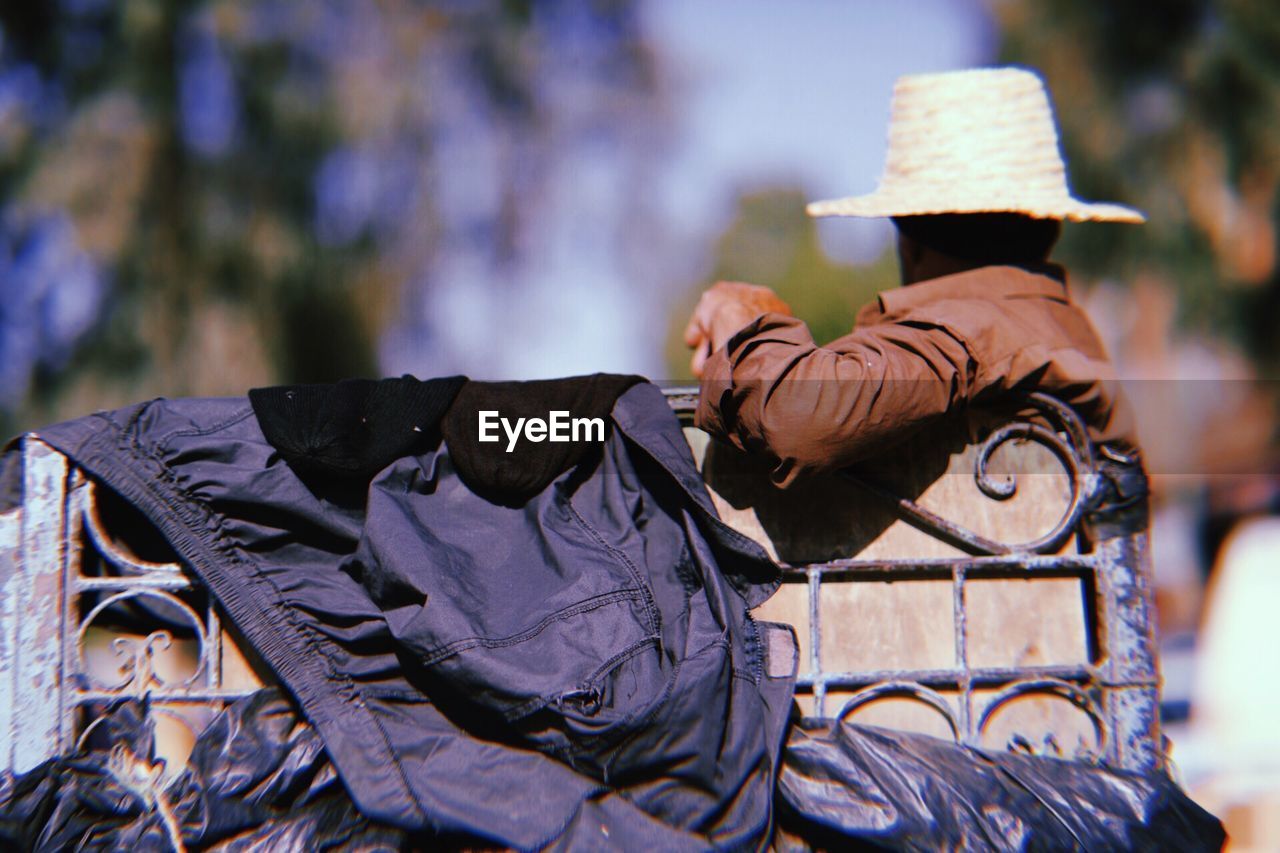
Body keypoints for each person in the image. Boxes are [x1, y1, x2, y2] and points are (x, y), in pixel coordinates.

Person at [683, 66, 1144, 487]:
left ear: (910, 242)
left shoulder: (982, 333)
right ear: (1049, 226)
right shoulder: (1049, 330)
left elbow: (799, 416)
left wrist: (743, 322)